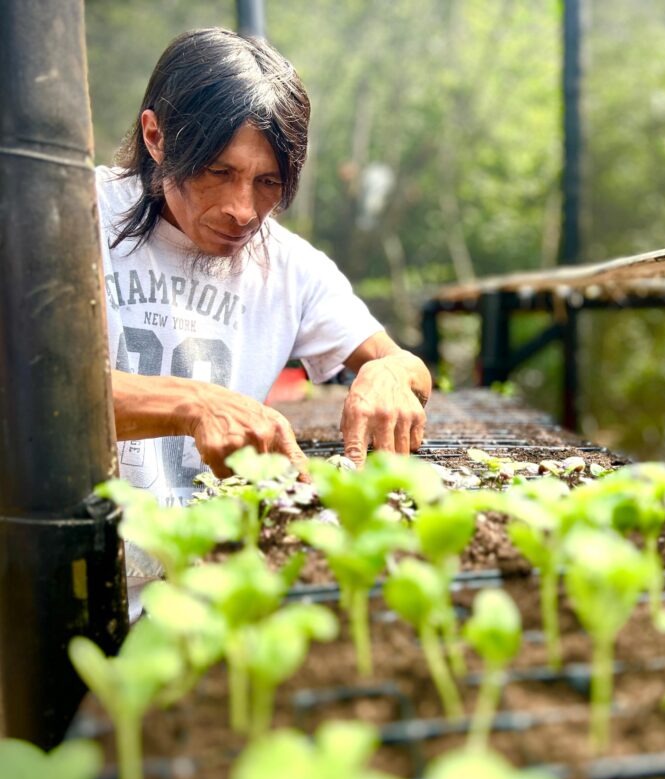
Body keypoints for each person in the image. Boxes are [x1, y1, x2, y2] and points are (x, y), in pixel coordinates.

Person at [97, 29, 430, 547]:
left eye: (268, 182)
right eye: (217, 170)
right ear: (156, 137)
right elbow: (26, 389)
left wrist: (388, 371)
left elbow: (409, 369)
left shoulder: (289, 266)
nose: (243, 209)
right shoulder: (74, 216)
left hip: (207, 579)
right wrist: (192, 402)